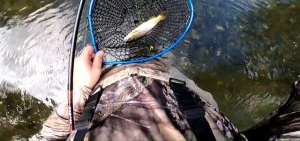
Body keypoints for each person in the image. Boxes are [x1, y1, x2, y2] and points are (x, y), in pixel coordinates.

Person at [34, 46, 300, 141]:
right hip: (175, 87)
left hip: (101, 88)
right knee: (162, 62)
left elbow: (46, 137)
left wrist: (81, 89)